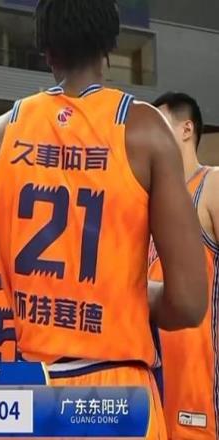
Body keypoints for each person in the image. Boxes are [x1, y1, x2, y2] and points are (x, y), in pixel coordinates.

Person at [0, 1, 208, 437]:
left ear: (46, 50)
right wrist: (124, 295)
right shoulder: (145, 130)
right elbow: (189, 303)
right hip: (120, 396)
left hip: (33, 397)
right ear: (110, 46)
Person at [150, 92, 219, 439]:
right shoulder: (149, 203)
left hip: (202, 386)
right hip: (157, 385)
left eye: (159, 126)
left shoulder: (212, 184)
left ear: (186, 129)